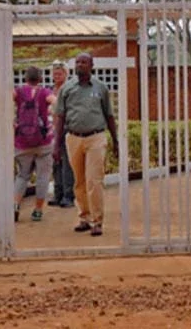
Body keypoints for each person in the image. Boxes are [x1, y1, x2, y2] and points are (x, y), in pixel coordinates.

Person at [53, 52, 118, 237]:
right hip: (73, 138)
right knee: (79, 181)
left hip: (96, 138)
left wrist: (116, 141)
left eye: (84, 62)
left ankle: (97, 221)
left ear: (92, 65)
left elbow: (109, 115)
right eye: (78, 62)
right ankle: (84, 217)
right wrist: (56, 145)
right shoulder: (67, 89)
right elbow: (60, 117)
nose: (80, 65)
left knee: (94, 180)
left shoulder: (101, 88)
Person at [12, 66, 55, 222]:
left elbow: (4, 100)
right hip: (43, 141)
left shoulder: (18, 92)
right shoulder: (45, 92)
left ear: (25, 78)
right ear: (40, 78)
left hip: (21, 142)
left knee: (22, 175)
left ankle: (15, 204)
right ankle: (37, 210)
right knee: (43, 177)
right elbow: (55, 103)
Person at [47, 60, 75, 208]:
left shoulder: (69, 89)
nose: (56, 76)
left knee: (66, 163)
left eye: (60, 73)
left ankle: (68, 194)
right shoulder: (51, 90)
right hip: (51, 130)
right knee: (55, 162)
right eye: (55, 73)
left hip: (65, 129)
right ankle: (57, 194)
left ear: (66, 74)